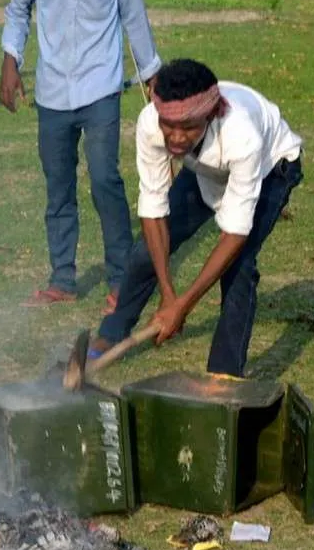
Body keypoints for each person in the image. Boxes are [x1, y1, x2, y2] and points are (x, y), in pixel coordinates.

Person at [0, 0, 161, 313]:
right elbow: (17, 13)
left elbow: (134, 15)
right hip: (52, 91)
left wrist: (151, 74)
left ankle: (120, 279)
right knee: (58, 187)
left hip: (100, 87)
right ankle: (63, 278)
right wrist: (10, 62)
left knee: (105, 181)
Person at [94, 60, 303, 377]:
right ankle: (109, 337)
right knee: (143, 252)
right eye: (169, 126)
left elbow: (234, 234)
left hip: (269, 169)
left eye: (188, 126)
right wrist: (167, 294)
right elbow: (153, 210)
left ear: (212, 113)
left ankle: (224, 375)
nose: (176, 138)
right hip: (205, 169)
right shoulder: (152, 123)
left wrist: (182, 306)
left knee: (239, 268)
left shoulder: (242, 134)